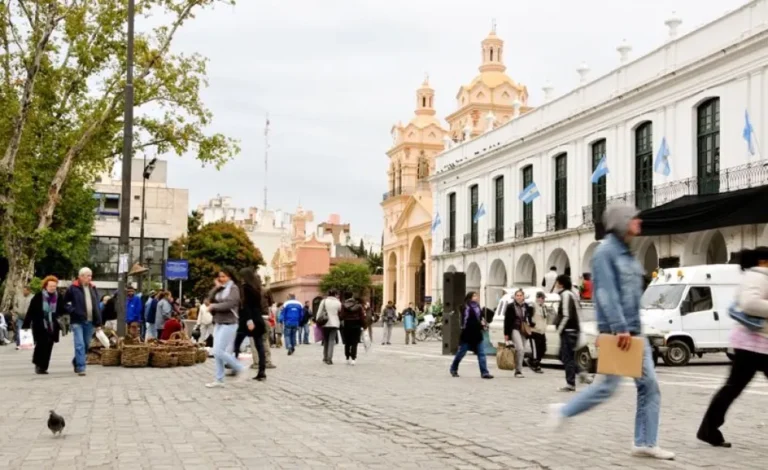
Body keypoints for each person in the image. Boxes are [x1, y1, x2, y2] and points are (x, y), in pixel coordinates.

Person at [550, 204, 674, 460]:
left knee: (648, 386)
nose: (639, 222)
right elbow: (606, 294)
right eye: (634, 218)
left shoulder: (628, 254)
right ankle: (563, 412)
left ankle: (645, 442)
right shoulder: (605, 252)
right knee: (608, 387)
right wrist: (619, 328)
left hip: (633, 331)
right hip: (621, 333)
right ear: (622, 222)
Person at [697, 247, 768, 448]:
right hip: (753, 343)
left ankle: (708, 430)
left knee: (732, 388)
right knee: (732, 388)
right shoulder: (758, 276)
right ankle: (708, 429)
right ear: (763, 261)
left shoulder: (756, 276)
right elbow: (750, 304)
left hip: (754, 343)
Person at [205, 267, 247, 388]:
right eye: (220, 276)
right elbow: (208, 299)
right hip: (218, 322)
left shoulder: (234, 288)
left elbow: (230, 304)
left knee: (218, 351)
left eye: (224, 276)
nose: (221, 278)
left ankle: (240, 368)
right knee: (216, 352)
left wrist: (214, 306)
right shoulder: (221, 289)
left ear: (230, 276)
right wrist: (216, 288)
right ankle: (219, 380)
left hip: (229, 323)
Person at [554, 275, 591, 391]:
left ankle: (571, 383)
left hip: (568, 331)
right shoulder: (571, 294)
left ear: (561, 284)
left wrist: (560, 329)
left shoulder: (566, 295)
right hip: (573, 330)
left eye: (557, 283)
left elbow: (566, 315)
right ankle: (582, 373)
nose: (555, 285)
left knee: (567, 357)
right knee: (563, 356)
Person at [64, 267, 102, 376]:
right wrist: (73, 310)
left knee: (85, 345)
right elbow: (64, 303)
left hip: (89, 321)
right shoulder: (73, 288)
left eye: (91, 275)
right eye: (88, 276)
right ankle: (81, 367)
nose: (90, 278)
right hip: (77, 321)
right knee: (79, 344)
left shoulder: (93, 288)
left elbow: (96, 306)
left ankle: (76, 361)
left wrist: (98, 322)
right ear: (80, 277)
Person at [233, 267, 267, 381]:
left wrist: (248, 320)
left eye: (242, 276)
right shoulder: (257, 288)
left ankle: (233, 365)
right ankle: (262, 371)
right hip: (258, 318)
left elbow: (246, 306)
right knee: (259, 346)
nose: (241, 279)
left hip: (247, 319)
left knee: (236, 342)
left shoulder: (245, 288)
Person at [449, 292, 493, 379]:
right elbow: (465, 322)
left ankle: (484, 372)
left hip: (477, 334)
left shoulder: (478, 307)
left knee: (481, 353)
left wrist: (483, 323)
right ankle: (453, 368)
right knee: (461, 353)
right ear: (470, 297)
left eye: (477, 296)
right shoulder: (465, 307)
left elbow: (481, 318)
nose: (476, 297)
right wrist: (478, 325)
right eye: (474, 296)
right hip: (468, 334)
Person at [503, 289, 530, 378]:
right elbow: (506, 321)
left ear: (523, 297)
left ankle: (518, 368)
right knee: (520, 348)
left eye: (520, 295)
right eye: (517, 295)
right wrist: (506, 334)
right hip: (514, 328)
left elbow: (528, 317)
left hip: (523, 329)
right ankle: (518, 371)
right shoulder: (510, 306)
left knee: (522, 350)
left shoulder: (526, 306)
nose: (519, 297)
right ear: (514, 297)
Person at [317, 290, 342, 364]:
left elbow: (319, 312)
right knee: (331, 341)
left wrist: (317, 320)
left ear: (328, 294)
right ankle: (329, 358)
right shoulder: (338, 302)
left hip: (325, 323)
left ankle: (325, 357)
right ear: (335, 294)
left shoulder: (324, 301)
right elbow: (340, 311)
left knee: (326, 340)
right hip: (335, 323)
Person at [340, 293, 365, 365]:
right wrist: (364, 325)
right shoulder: (359, 306)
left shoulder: (344, 305)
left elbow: (341, 316)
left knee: (347, 342)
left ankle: (347, 357)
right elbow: (362, 317)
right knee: (355, 342)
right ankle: (353, 359)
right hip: (356, 325)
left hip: (347, 325)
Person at [529, 292, 548, 374]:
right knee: (535, 350)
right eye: (542, 298)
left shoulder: (544, 307)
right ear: (538, 298)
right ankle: (536, 365)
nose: (543, 300)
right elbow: (527, 316)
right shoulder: (532, 306)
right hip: (534, 331)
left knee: (543, 349)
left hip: (542, 331)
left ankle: (532, 361)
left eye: (544, 298)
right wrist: (530, 323)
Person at [12, 286, 34, 350]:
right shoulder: (18, 296)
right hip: (20, 316)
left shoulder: (33, 297)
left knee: (30, 331)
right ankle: (18, 344)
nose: (24, 292)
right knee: (19, 330)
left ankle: (30, 343)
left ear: (29, 291)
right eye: (23, 290)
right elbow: (14, 305)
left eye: (25, 290)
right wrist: (17, 310)